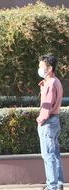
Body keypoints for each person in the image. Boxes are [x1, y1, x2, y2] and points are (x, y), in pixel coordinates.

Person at [37, 54, 64, 190]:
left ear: (50, 68)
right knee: (55, 154)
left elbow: (47, 105)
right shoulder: (56, 81)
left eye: (41, 66)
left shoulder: (51, 83)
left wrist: (40, 119)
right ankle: (58, 184)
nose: (39, 69)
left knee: (48, 155)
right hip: (55, 121)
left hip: (48, 122)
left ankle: (51, 186)